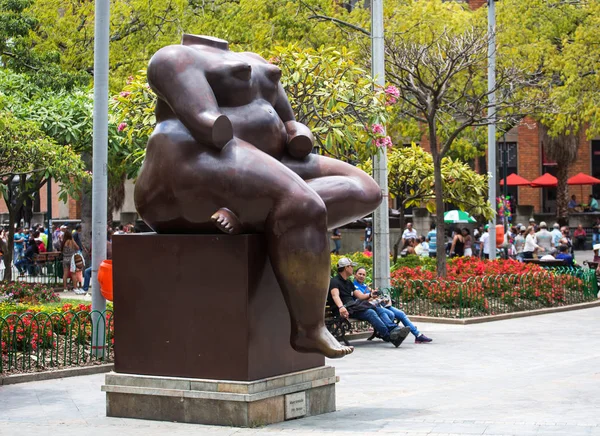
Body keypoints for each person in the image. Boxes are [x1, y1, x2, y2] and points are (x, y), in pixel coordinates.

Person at [328, 258, 410, 347]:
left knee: (377, 309)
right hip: (344, 309)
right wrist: (341, 307)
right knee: (370, 312)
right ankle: (389, 336)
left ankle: (394, 329)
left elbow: (360, 296)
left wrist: (371, 294)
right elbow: (335, 295)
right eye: (351, 266)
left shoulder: (348, 282)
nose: (352, 268)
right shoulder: (334, 281)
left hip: (352, 307)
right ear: (346, 267)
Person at [353, 267, 432, 343]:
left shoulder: (365, 286)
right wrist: (373, 297)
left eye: (363, 275)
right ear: (355, 275)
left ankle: (418, 335)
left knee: (401, 314)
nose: (361, 276)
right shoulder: (354, 286)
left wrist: (380, 297)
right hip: (371, 307)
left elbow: (374, 294)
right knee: (390, 314)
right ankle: (394, 332)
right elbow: (363, 298)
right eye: (360, 274)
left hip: (379, 305)